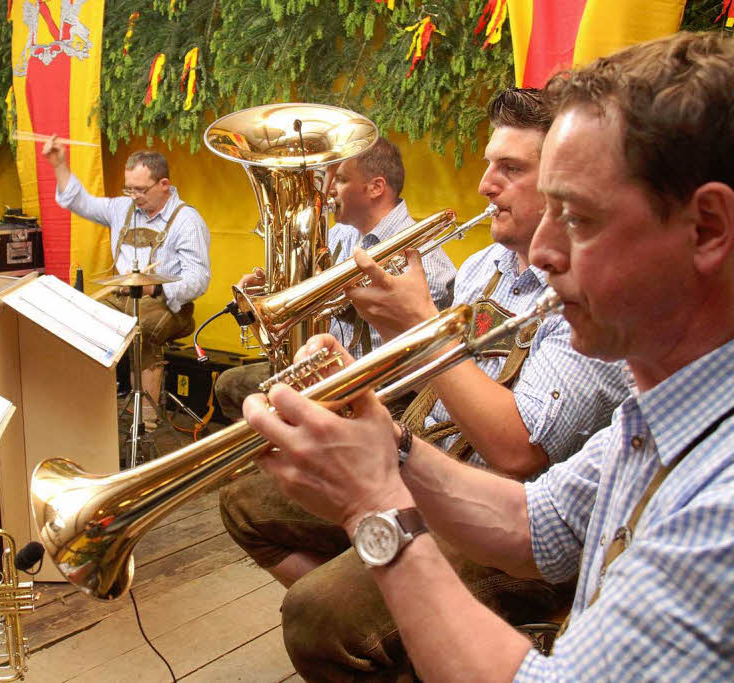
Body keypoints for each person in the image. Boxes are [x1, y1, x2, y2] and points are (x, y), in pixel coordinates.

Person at [244, 31, 734, 680]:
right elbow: (539, 522)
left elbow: (520, 455)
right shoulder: (660, 411)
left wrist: (375, 506)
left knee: (321, 614)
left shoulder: (721, 502)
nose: (545, 252)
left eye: (579, 219)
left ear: (706, 229)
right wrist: (388, 442)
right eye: (548, 209)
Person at [219, 88, 630, 679]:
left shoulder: (582, 295)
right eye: (490, 164)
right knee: (246, 503)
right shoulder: (483, 268)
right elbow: (429, 381)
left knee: (317, 614)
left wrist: (419, 329)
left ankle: (394, 613)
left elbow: (518, 452)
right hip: (434, 450)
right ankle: (401, 614)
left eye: (510, 169)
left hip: (494, 491)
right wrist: (358, 380)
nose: (486, 184)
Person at [214, 137, 457, 421]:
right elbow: (314, 299)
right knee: (229, 385)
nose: (326, 190)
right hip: (330, 366)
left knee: (278, 408)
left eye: (339, 179)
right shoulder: (341, 235)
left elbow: (421, 361)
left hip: (382, 388)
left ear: (376, 188)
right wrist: (272, 293)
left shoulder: (426, 260)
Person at [42, 139, 210, 429]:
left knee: (138, 326)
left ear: (164, 184)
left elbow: (198, 280)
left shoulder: (187, 221)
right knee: (77, 318)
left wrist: (154, 288)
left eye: (141, 190)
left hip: (168, 304)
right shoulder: (122, 208)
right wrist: (59, 164)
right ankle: (91, 410)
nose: (134, 196)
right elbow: (78, 201)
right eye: (129, 189)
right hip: (122, 297)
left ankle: (145, 419)